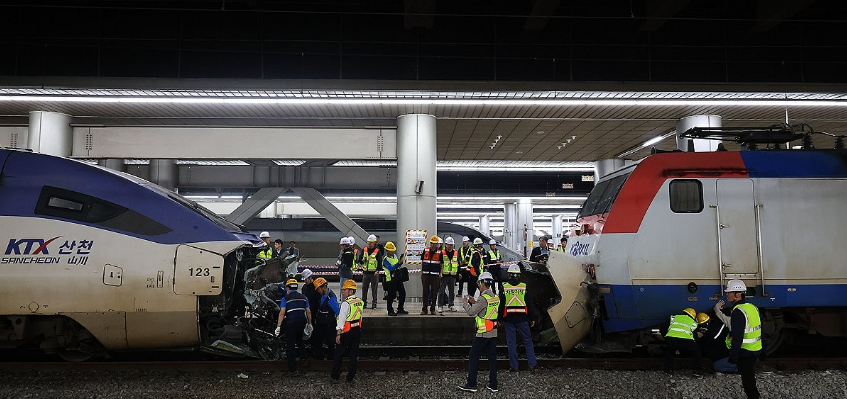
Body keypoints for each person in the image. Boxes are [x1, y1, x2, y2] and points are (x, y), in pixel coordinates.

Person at [713, 279, 762, 399]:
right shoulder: (752, 308)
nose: (727, 295)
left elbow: (738, 337)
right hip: (755, 351)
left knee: (748, 382)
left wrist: (733, 357)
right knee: (749, 378)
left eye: (729, 292)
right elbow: (761, 330)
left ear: (738, 294)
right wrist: (763, 351)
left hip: (745, 353)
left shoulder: (738, 312)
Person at [458, 272, 499, 393]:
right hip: (493, 331)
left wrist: (466, 303)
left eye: (479, 283)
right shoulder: (494, 297)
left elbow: (471, 312)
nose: (478, 286)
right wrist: (475, 302)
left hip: (483, 333)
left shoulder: (483, 298)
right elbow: (487, 310)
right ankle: (493, 384)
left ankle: (472, 384)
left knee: (473, 356)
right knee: (492, 358)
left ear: (482, 283)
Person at [500, 264, 538, 372]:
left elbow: (501, 305)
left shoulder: (505, 287)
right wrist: (533, 318)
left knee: (511, 342)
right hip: (522, 319)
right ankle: (532, 364)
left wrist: (499, 319)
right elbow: (529, 304)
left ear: (509, 275)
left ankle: (514, 366)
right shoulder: (524, 287)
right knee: (527, 341)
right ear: (519, 276)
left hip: (509, 319)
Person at [275, 279, 311, 373]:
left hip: (291, 323)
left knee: (290, 345)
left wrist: (278, 326)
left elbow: (282, 313)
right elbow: (308, 312)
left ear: (287, 288)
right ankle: (304, 358)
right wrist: (310, 324)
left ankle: (292, 369)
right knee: (299, 340)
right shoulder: (304, 297)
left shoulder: (285, 299)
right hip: (301, 322)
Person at [331, 280, 364, 385]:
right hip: (357, 331)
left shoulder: (346, 303)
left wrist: (338, 334)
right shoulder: (360, 301)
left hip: (346, 332)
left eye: (345, 290)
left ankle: (335, 376)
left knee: (338, 354)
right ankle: (350, 378)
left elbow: (341, 320)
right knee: (353, 356)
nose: (343, 292)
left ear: (351, 291)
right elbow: (360, 317)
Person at [663, 307, 709, 376]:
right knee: (696, 351)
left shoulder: (674, 317)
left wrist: (666, 337)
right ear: (693, 316)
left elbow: (663, 328)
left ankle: (669, 370)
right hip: (686, 341)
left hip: (671, 339)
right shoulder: (694, 323)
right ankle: (697, 371)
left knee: (669, 351)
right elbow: (695, 337)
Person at [311, 277, 340, 360]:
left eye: (318, 289)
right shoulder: (322, 295)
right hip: (321, 323)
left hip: (329, 324)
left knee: (331, 342)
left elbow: (338, 312)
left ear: (323, 287)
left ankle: (331, 359)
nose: (318, 291)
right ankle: (320, 357)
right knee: (317, 341)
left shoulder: (331, 298)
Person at [357, 234, 383, 309]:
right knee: (364, 289)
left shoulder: (377, 251)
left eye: (371, 243)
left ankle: (374, 304)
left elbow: (379, 261)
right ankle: (364, 303)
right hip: (366, 273)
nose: (369, 244)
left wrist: (377, 270)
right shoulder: (364, 250)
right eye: (368, 242)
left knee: (374, 289)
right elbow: (360, 260)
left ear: (374, 243)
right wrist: (362, 260)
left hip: (374, 273)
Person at [382, 241, 407, 316]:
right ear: (387, 251)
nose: (393, 252)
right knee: (391, 295)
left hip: (397, 278)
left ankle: (400, 309)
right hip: (390, 280)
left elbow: (397, 266)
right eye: (391, 250)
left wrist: (400, 263)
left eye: (393, 250)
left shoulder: (395, 256)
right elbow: (390, 268)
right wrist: (398, 263)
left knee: (402, 293)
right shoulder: (386, 259)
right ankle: (390, 310)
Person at [420, 235, 443, 315]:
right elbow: (422, 261)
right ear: (430, 243)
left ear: (437, 244)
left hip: (435, 275)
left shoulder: (440, 252)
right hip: (426, 274)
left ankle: (432, 309)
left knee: (434, 292)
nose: (433, 245)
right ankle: (424, 309)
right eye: (432, 243)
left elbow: (441, 264)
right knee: (425, 292)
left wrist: (440, 273)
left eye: (435, 243)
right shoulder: (425, 250)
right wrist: (422, 272)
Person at [438, 236, 460, 314]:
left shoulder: (456, 252)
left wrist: (458, 273)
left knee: (452, 291)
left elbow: (458, 264)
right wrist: (440, 273)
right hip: (444, 275)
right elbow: (440, 263)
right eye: (449, 245)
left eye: (451, 245)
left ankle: (451, 305)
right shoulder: (442, 253)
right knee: (441, 291)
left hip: (452, 275)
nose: (450, 246)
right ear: (445, 244)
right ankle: (440, 306)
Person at [337, 237, 355, 302]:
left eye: (341, 245)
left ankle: (344, 304)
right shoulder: (347, 252)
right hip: (345, 274)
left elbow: (348, 264)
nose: (341, 247)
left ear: (344, 245)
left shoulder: (348, 253)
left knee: (344, 290)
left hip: (345, 274)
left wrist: (340, 265)